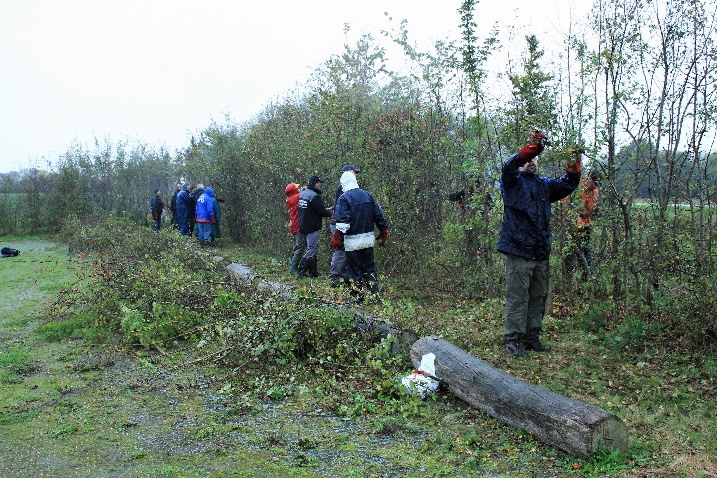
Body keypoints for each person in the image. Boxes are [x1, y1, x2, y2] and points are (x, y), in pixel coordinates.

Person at [497, 131, 581, 356]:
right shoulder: (512, 183)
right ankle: (512, 339)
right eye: (529, 159)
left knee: (538, 297)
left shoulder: (544, 186)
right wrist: (530, 149)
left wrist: (573, 163)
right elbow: (509, 166)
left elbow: (568, 184)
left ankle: (531, 337)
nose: (531, 162)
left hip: (540, 252)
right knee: (518, 297)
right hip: (518, 251)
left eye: (534, 159)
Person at [331, 170, 389, 301]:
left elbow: (343, 224)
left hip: (352, 242)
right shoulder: (367, 195)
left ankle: (357, 297)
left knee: (354, 270)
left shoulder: (344, 198)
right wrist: (383, 230)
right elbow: (379, 215)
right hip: (368, 240)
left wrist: (336, 238)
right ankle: (374, 294)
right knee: (369, 268)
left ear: (343, 184)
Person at [328, 164, 360, 287]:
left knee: (345, 250)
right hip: (339, 223)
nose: (356, 174)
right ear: (346, 172)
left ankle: (342, 276)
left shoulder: (346, 187)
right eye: (354, 172)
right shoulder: (344, 187)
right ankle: (334, 277)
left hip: (341, 222)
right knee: (340, 249)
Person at [565, 170, 600, 274]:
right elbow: (567, 203)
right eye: (592, 183)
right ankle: (568, 274)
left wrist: (590, 220)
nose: (594, 187)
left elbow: (594, 210)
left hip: (587, 224)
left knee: (585, 248)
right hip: (574, 222)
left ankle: (587, 274)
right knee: (570, 249)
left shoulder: (595, 191)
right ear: (588, 179)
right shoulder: (578, 186)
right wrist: (574, 219)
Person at [297, 175, 332, 279]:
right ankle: (301, 273)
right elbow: (321, 211)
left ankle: (313, 273)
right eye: (319, 183)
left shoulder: (303, 194)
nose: (320, 185)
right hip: (312, 226)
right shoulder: (314, 196)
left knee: (311, 249)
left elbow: (310, 209)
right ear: (316, 184)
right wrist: (331, 213)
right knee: (311, 250)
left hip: (303, 225)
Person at [285, 182, 306, 275]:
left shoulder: (290, 199)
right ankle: (293, 268)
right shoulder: (294, 198)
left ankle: (294, 266)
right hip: (297, 226)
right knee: (301, 246)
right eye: (296, 188)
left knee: (296, 246)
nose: (298, 188)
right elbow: (304, 194)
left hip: (293, 225)